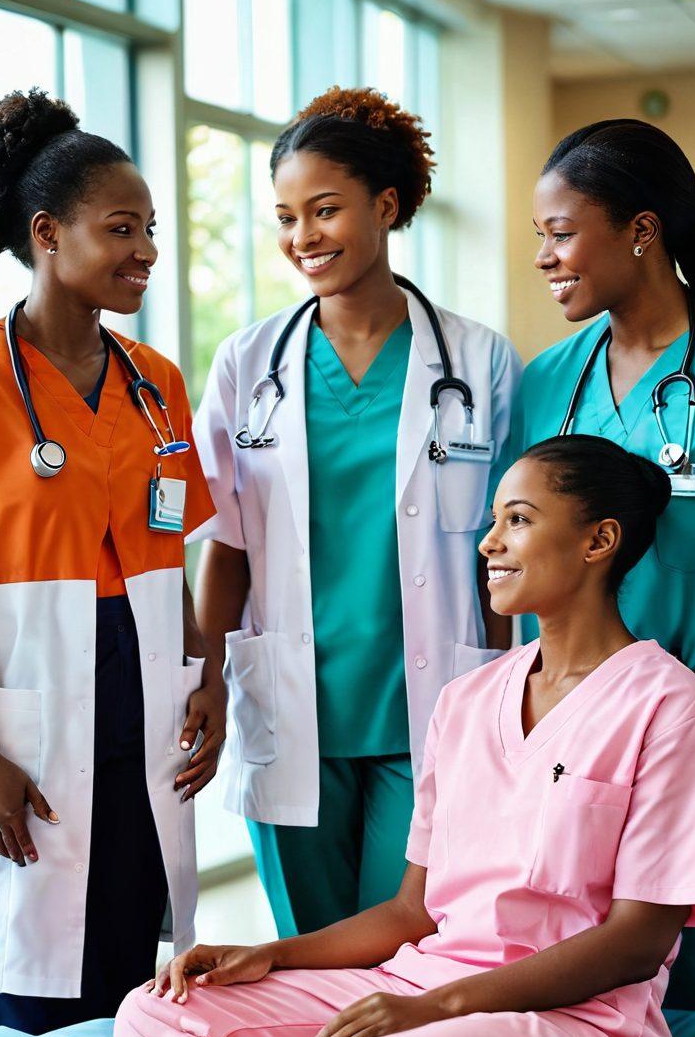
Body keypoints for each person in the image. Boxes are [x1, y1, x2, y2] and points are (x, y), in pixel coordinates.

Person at [114, 434, 695, 1037]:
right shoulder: (466, 701)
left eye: (518, 520)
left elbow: (638, 941)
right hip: (420, 979)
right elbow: (414, 912)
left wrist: (439, 1010)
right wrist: (270, 955)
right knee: (162, 1012)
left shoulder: (671, 712)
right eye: (494, 520)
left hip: (578, 1026)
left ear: (599, 541)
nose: (489, 543)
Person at [191, 86, 521, 937]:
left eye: (325, 209)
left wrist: (503, 687)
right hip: (292, 704)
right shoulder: (247, 363)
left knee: (405, 945)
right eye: (286, 217)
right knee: (307, 948)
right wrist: (207, 681)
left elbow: (505, 547)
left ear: (385, 205)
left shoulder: (477, 359)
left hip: (434, 705)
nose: (303, 236)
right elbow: (226, 544)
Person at [0, 89, 225, 1034]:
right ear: (47, 233)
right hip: (30, 719)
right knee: (36, 989)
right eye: (121, 229)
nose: (145, 250)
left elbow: (171, 552)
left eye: (149, 230)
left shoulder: (157, 383)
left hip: (143, 706)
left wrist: (205, 675)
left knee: (131, 986)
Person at [520, 117, 695, 1009]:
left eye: (561, 234)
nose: (545, 258)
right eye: (539, 238)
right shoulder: (549, 380)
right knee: (591, 994)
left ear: (641, 230)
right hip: (583, 743)